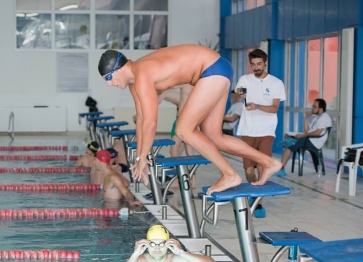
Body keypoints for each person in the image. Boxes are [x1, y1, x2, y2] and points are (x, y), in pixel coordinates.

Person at [98, 45, 282, 194]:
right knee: (214, 136)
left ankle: (229, 174)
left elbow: (151, 122)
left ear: (119, 68)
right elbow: (140, 119)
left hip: (211, 70)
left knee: (183, 129)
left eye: (108, 77)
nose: (109, 84)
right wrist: (139, 157)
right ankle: (269, 162)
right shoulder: (135, 82)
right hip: (218, 69)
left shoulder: (142, 73)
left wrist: (144, 158)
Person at [235, 48, 286, 218]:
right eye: (253, 65)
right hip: (248, 130)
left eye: (259, 64)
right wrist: (238, 95)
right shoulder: (245, 79)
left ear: (265, 63)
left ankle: (258, 203)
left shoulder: (276, 83)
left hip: (266, 131)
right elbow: (237, 96)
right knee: (249, 171)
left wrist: (256, 106)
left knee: (262, 167)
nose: (256, 67)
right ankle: (255, 192)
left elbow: (274, 109)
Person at [118, 225, 217, 262]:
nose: (157, 248)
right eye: (153, 244)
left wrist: (181, 252)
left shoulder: (178, 261)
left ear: (168, 244)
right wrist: (135, 254)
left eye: (161, 244)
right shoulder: (139, 261)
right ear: (147, 245)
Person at [276, 98, 332, 177]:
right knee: (289, 137)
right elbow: (307, 131)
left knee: (289, 146)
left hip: (315, 142)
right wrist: (306, 118)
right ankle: (290, 140)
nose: (312, 108)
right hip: (309, 139)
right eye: (312, 106)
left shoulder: (324, 118)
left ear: (321, 109)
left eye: (314, 107)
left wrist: (302, 136)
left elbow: (317, 133)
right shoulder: (316, 118)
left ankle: (281, 168)